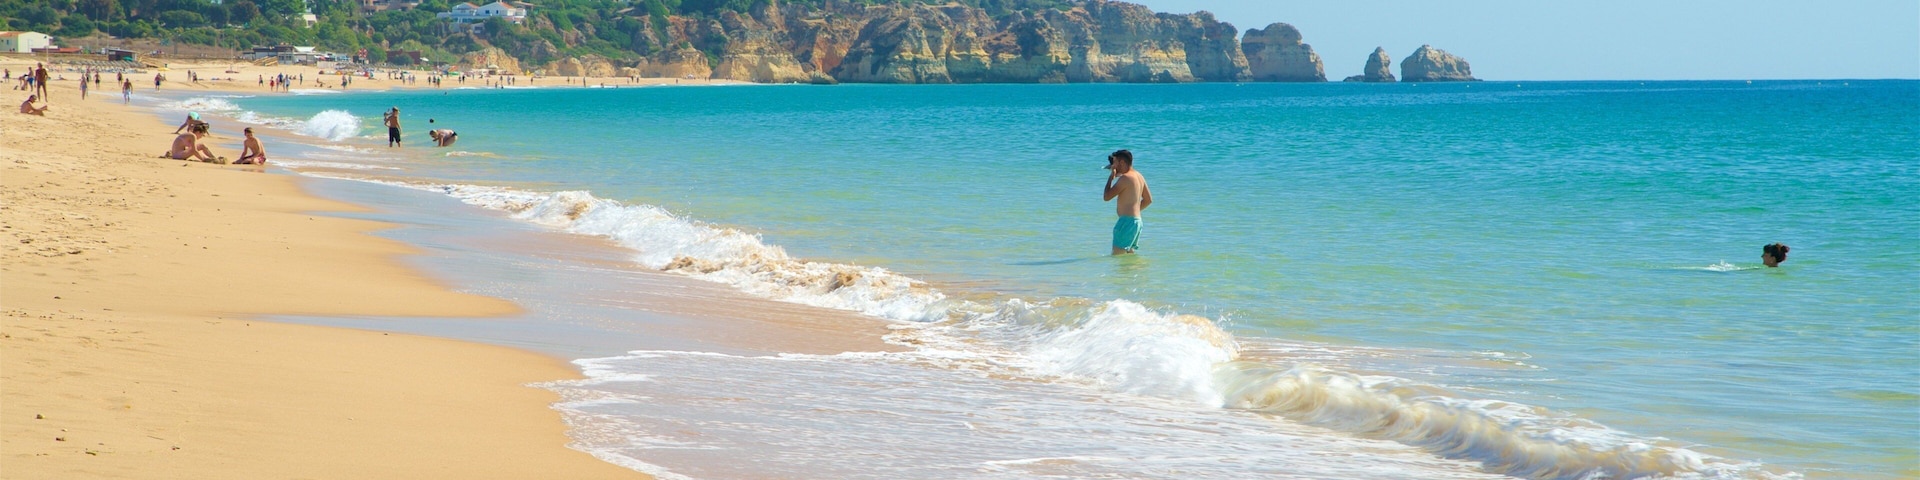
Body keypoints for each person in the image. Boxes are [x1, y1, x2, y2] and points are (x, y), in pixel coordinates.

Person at [1101, 149, 1153, 255]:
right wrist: (1133, 212)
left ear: (1122, 162)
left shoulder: (1126, 178)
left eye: (1114, 162)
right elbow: (1148, 200)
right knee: (1129, 257)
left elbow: (1107, 197)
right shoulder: (1139, 176)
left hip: (1126, 223)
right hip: (1136, 222)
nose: (1112, 166)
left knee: (1117, 256)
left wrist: (1111, 178)